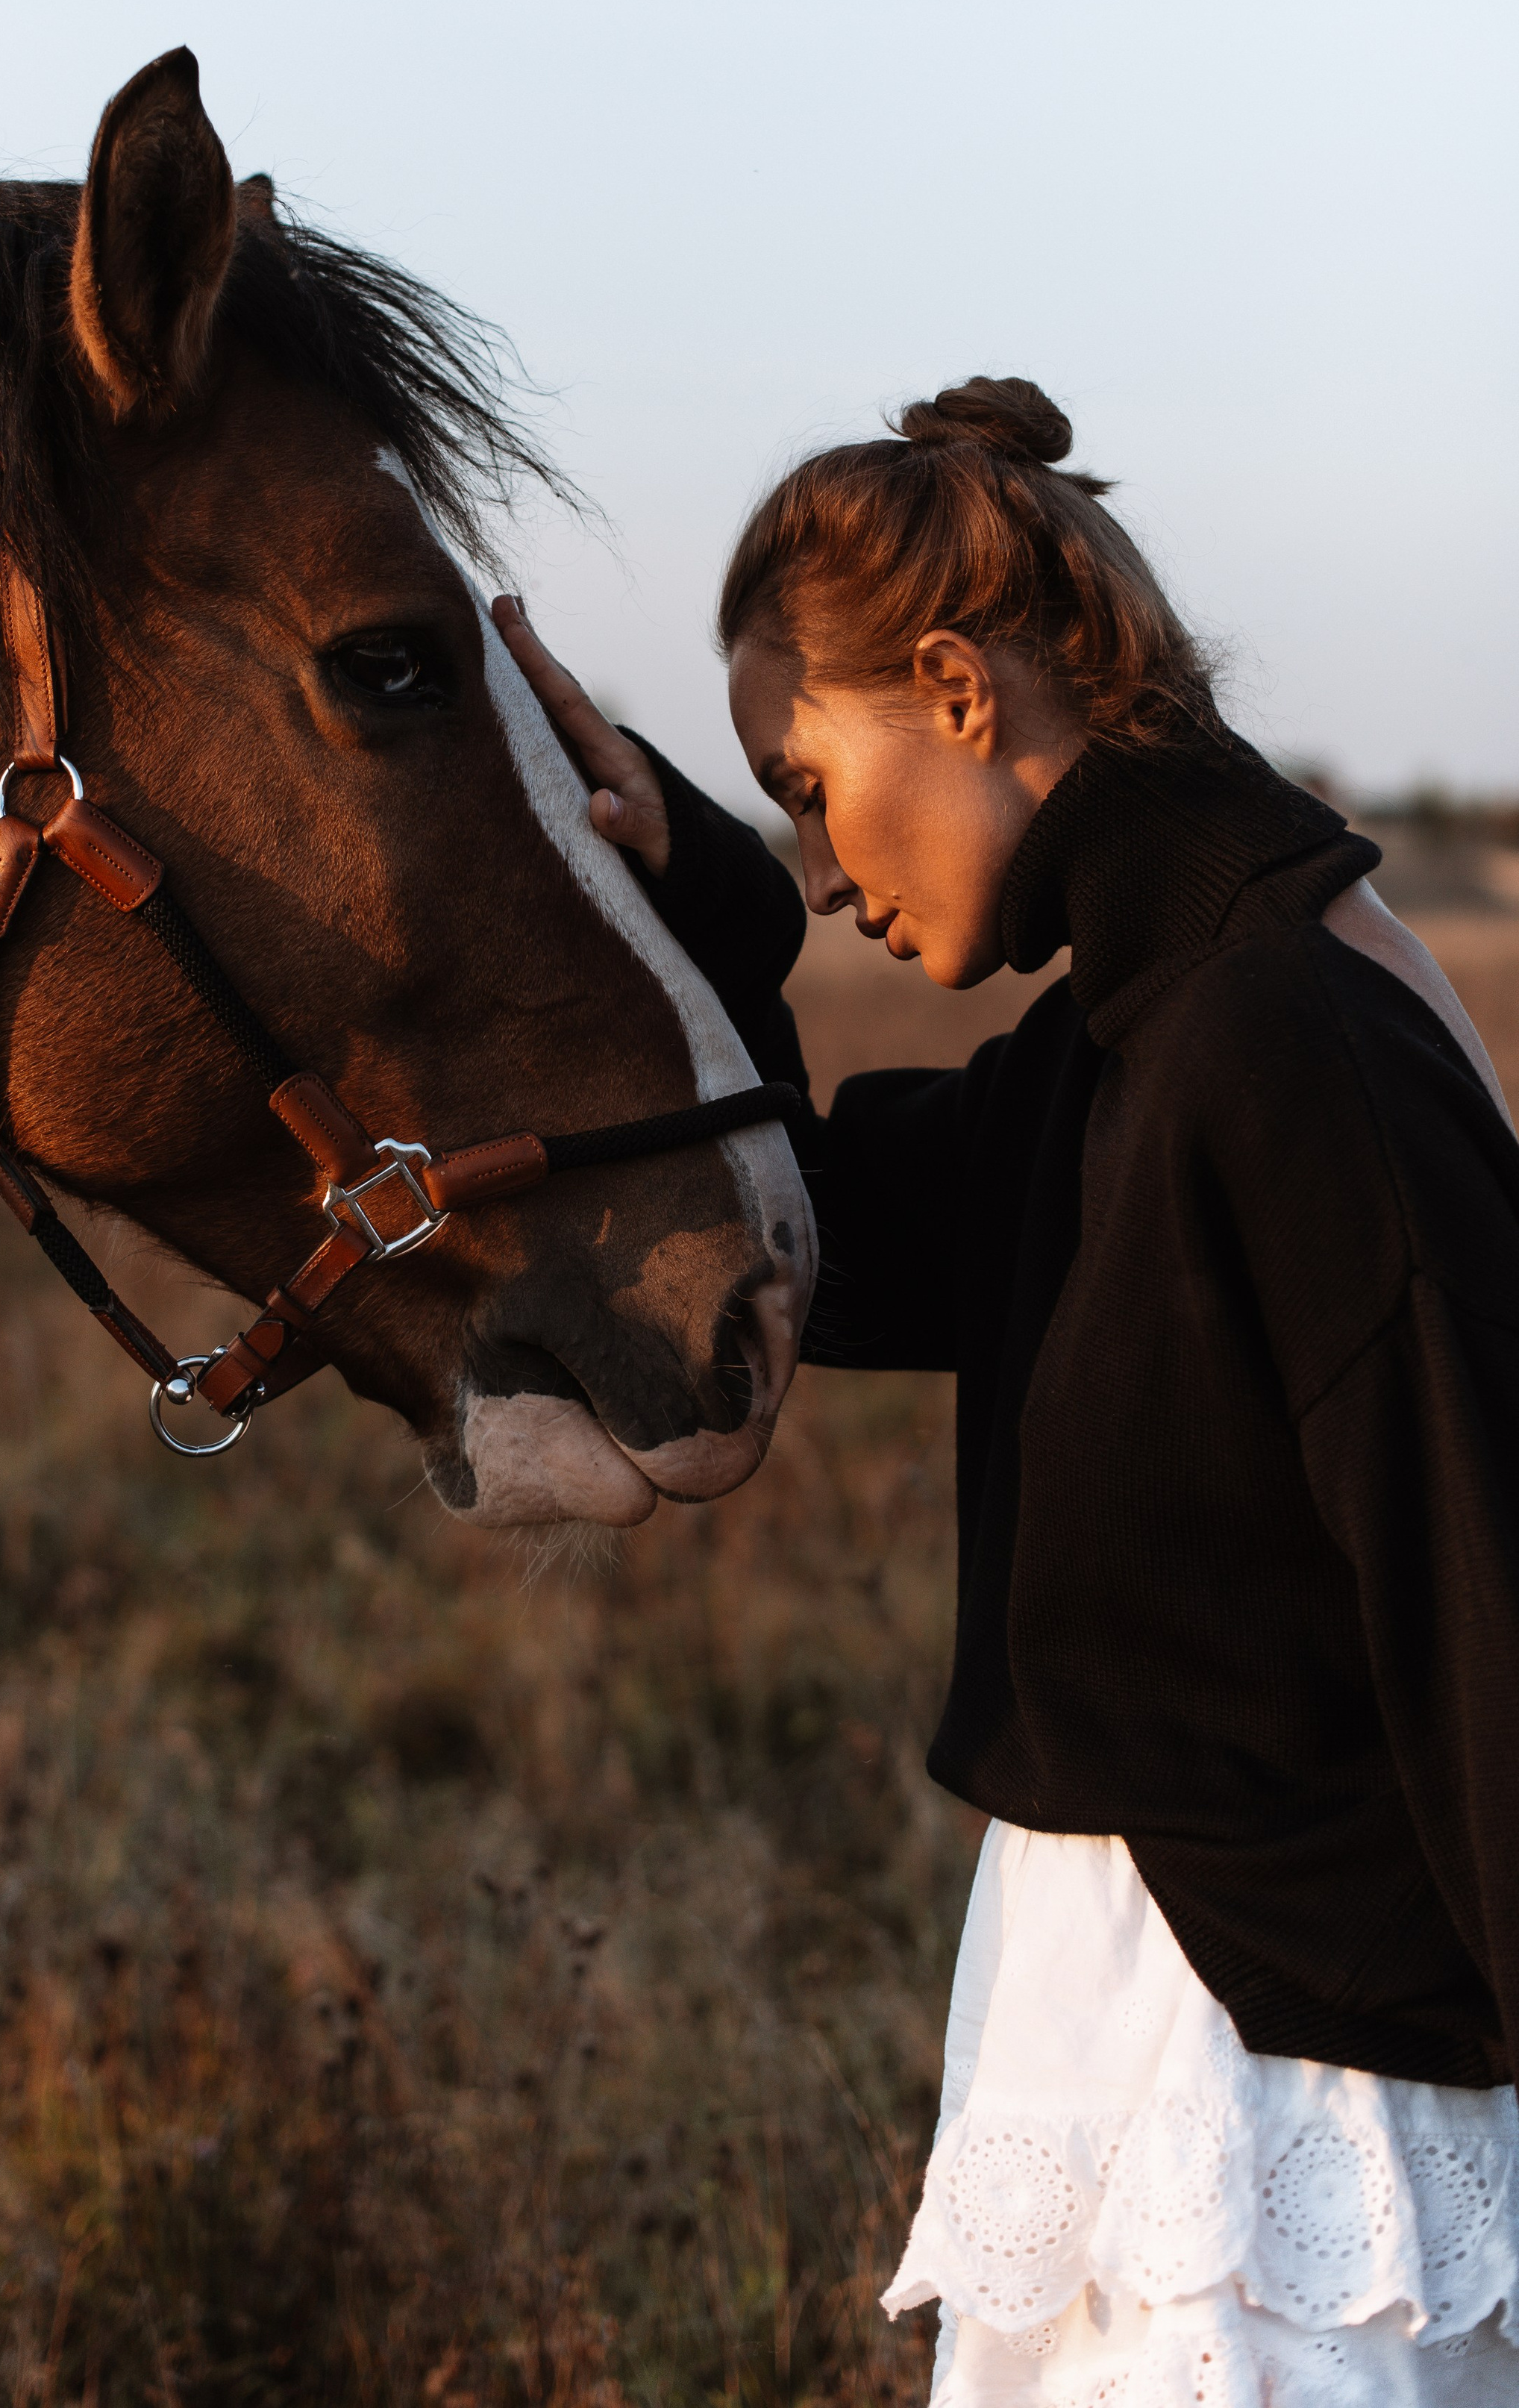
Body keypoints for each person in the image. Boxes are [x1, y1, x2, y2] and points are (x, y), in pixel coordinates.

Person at [494, 376, 1519, 2404]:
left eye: (801, 786)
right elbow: (825, 1218)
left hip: (1288, 2073)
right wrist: (671, 887)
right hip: (1141, 1998)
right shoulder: (1142, 1037)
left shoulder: (1279, 1036)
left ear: (957, 690)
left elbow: (1491, 1594)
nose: (816, 870)